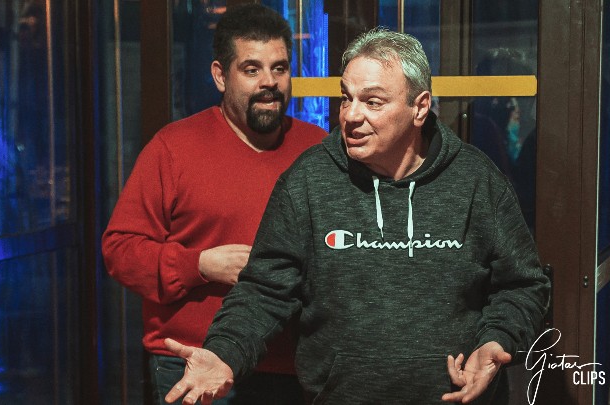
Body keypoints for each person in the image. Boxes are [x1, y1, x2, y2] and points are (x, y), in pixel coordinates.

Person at [163, 28, 550, 405]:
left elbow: (523, 285)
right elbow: (264, 290)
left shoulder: (476, 180)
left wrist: (498, 338)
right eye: (346, 98)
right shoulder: (309, 180)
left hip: (456, 397)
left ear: (419, 107)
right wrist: (225, 352)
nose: (351, 115)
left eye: (373, 102)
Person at [101, 4, 327, 405]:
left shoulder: (317, 149)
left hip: (291, 365)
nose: (269, 82)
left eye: (279, 68)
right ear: (221, 76)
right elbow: (120, 251)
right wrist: (200, 265)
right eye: (251, 69)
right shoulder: (173, 148)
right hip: (192, 362)